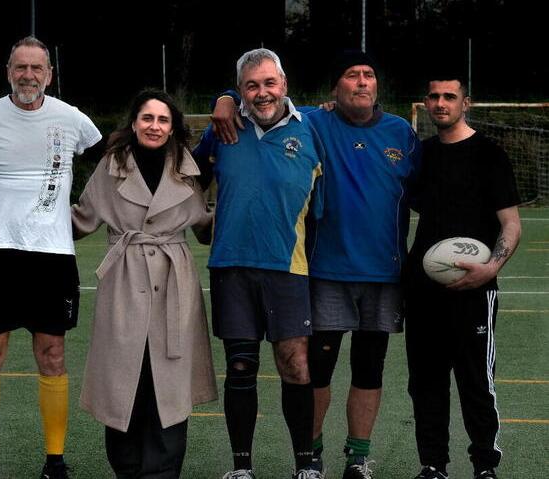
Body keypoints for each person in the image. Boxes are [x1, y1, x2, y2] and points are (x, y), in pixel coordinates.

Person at [210, 49, 420, 479]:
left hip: (378, 272)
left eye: (368, 75)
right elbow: (253, 103)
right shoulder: (303, 122)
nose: (361, 82)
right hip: (321, 271)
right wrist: (226, 97)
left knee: (363, 368)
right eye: (351, 75)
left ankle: (356, 457)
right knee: (305, 368)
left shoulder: (398, 132)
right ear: (333, 88)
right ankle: (309, 458)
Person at [0, 36, 102, 479]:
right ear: (8, 71)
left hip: (53, 255)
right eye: (21, 67)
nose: (29, 76)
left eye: (37, 69)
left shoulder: (72, 120)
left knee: (52, 353)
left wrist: (86, 216)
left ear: (50, 75)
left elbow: (114, 161)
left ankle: (55, 461)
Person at [71, 89, 217, 478]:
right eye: (147, 118)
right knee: (124, 381)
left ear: (173, 128)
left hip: (175, 284)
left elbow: (205, 224)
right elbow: (81, 218)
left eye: (163, 120)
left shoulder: (187, 169)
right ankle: (127, 468)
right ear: (133, 123)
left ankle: (164, 471)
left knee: (168, 384)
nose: (154, 126)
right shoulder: (110, 166)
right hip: (124, 280)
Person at [193, 48, 324, 479]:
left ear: (284, 84)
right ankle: (241, 468)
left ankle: (305, 465)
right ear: (241, 90)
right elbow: (186, 175)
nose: (262, 92)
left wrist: (225, 95)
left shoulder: (312, 130)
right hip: (231, 265)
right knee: (240, 366)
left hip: (288, 267)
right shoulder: (222, 127)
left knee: (295, 364)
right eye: (251, 85)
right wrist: (201, 220)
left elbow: (321, 209)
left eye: (269, 83)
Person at [403, 74, 521, 479]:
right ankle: (433, 465)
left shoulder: (489, 154)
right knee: (426, 384)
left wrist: (492, 268)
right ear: (426, 101)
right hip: (423, 292)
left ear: (465, 103)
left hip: (474, 290)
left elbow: (511, 225)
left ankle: (484, 466)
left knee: (475, 382)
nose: (440, 103)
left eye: (449, 97)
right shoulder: (421, 155)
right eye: (434, 96)